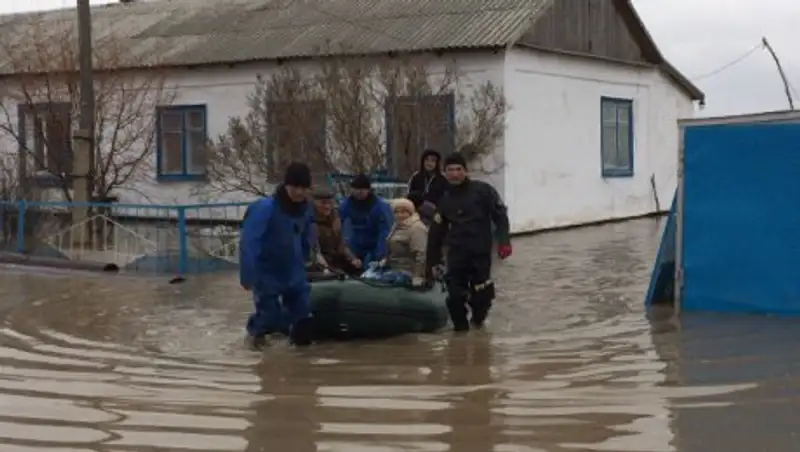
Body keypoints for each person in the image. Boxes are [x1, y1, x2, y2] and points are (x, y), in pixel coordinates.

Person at [426, 152, 512, 331]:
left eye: (458, 169)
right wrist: (433, 262)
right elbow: (435, 233)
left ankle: (478, 329)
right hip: (457, 255)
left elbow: (500, 216)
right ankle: (461, 338)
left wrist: (504, 242)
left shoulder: (482, 191)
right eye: (450, 170)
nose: (454, 174)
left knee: (481, 297)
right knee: (454, 299)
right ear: (445, 172)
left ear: (466, 171)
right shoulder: (445, 199)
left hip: (480, 253)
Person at [239, 162, 315, 349]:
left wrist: (308, 259)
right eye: (295, 187)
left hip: (294, 272)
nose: (299, 192)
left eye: (303, 188)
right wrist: (247, 274)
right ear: (286, 185)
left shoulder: (305, 209)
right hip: (268, 273)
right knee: (269, 316)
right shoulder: (265, 208)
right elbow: (249, 242)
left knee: (303, 317)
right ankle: (255, 338)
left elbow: (305, 236)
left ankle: (300, 362)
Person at [361, 198, 428, 287]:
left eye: (403, 212)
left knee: (372, 280)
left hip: (407, 271)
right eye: (396, 212)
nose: (399, 215)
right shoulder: (396, 226)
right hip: (392, 267)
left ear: (410, 212)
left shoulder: (417, 228)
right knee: (365, 276)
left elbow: (421, 254)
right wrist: (384, 261)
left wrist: (417, 277)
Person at [339, 173, 393, 266]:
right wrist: (349, 254)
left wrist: (380, 255)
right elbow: (340, 229)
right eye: (356, 188)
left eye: (363, 189)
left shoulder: (380, 207)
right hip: (354, 249)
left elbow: (384, 232)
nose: (359, 191)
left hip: (374, 248)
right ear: (352, 189)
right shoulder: (345, 206)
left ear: (368, 190)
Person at [311, 187, 361, 275]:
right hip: (320, 264)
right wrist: (326, 268)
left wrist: (353, 258)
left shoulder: (335, 218)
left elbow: (340, 245)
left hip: (336, 261)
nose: (327, 206)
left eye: (330, 203)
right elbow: (315, 252)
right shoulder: (310, 222)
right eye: (323, 203)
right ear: (314, 203)